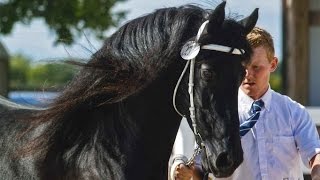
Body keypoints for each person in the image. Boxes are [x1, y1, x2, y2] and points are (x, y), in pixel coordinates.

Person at [169, 27, 320, 180]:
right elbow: (200, 170)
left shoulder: (293, 112)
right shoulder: (217, 115)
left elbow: (315, 155)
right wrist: (188, 173)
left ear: (273, 64)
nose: (248, 75)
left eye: (256, 67)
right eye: (243, 67)